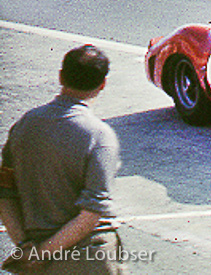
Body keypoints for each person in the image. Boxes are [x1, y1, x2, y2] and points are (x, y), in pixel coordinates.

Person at [0, 45, 124, 274]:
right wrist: (42, 253)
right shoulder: (99, 135)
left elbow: (4, 192)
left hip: (38, 261)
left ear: (61, 76)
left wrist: (26, 248)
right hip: (89, 259)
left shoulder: (24, 126)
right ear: (102, 85)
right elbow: (91, 214)